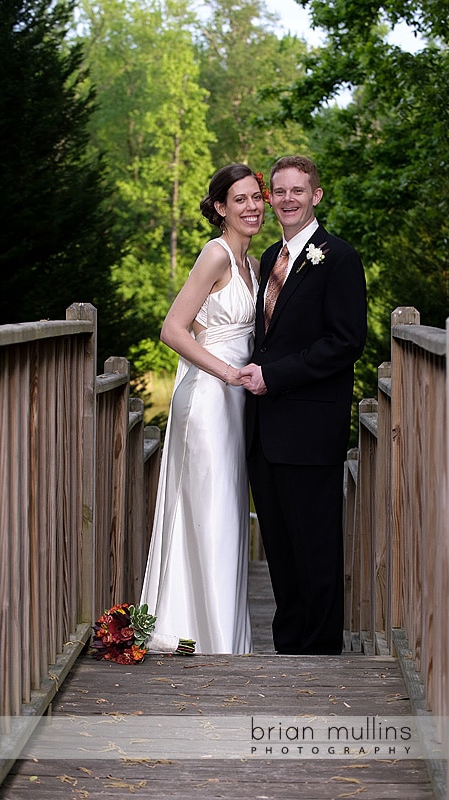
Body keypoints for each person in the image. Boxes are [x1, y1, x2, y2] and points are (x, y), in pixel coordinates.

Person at [239, 155, 367, 655]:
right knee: (281, 550)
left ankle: (319, 655)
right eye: (279, 191)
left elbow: (345, 341)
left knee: (315, 549)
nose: (288, 199)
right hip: (266, 429)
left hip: (311, 427)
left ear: (316, 195)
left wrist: (274, 376)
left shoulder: (338, 257)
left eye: (298, 190)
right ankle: (287, 649)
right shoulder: (271, 255)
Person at [140, 163, 267, 654]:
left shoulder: (253, 266)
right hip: (210, 399)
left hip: (237, 403)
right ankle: (206, 639)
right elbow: (173, 329)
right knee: (209, 511)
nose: (253, 206)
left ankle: (222, 636)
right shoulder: (214, 255)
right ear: (220, 208)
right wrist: (227, 372)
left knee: (229, 511)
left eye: (256, 197)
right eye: (240, 199)